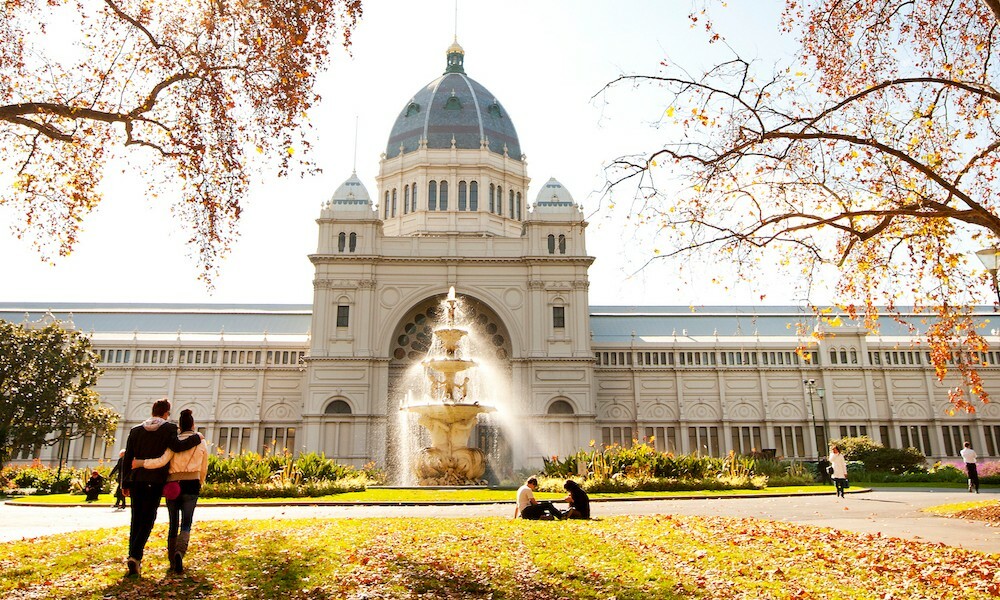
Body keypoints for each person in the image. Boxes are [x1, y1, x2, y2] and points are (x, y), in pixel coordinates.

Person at [121, 398, 202, 578]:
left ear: (153, 411)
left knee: (136, 518)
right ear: (166, 413)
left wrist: (124, 483)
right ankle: (135, 556)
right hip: (155, 481)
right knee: (148, 519)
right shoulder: (168, 429)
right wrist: (196, 437)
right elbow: (177, 447)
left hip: (136, 481)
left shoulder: (135, 430)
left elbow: (128, 459)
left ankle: (133, 556)